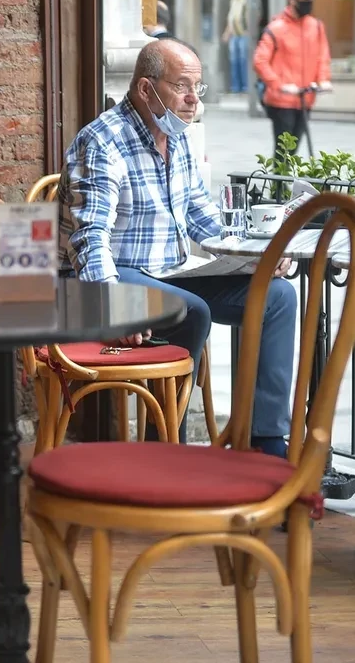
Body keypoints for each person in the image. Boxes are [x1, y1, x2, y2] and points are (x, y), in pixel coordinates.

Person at [60, 38, 297, 458]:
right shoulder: (102, 140)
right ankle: (166, 448)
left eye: (197, 88)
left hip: (170, 274)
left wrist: (259, 258)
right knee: (191, 310)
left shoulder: (179, 138)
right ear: (146, 88)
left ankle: (265, 441)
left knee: (277, 296)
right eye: (182, 86)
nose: (193, 100)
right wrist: (115, 305)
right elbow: (90, 237)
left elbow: (202, 217)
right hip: (112, 275)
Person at [255, 0, 332, 161]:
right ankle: (278, 180)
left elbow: (322, 56)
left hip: (305, 97)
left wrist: (323, 80)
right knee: (283, 151)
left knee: (294, 148)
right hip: (282, 100)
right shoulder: (276, 28)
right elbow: (260, 61)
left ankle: (284, 178)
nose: (308, 2)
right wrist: (279, 85)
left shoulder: (316, 26)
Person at [223, 0, 251, 95]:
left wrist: (250, 31)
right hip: (235, 35)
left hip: (245, 35)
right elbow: (231, 17)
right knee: (234, 61)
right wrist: (227, 32)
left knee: (244, 60)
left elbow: (254, 16)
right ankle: (235, 87)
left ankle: (245, 87)